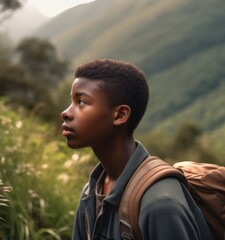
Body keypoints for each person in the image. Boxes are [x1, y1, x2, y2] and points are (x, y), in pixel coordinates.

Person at [60, 59, 211, 240]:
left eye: (82, 102)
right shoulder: (91, 192)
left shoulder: (160, 204)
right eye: (71, 101)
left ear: (120, 115)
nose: (66, 113)